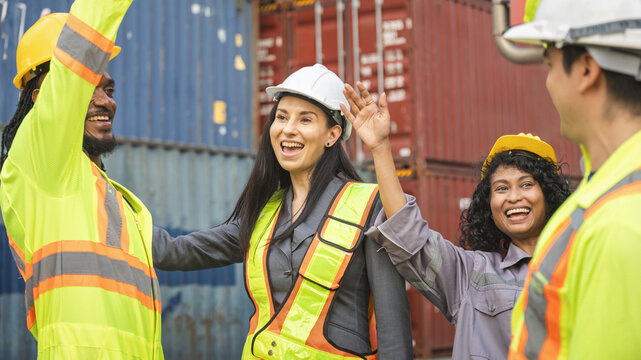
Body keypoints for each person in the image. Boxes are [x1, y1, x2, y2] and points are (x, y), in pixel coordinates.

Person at [153, 64, 413, 359]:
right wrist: (102, 197)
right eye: (281, 117)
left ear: (332, 135)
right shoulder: (263, 215)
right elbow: (173, 251)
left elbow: (393, 328)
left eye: (305, 119)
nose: (288, 129)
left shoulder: (370, 206)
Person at [341, 82, 570, 359]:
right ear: (489, 206)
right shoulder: (469, 275)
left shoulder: (579, 266)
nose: (513, 197)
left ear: (549, 194)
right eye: (501, 188)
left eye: (526, 184)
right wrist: (380, 148)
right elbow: (409, 235)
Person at [0, 2, 164, 358]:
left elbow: (167, 249)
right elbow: (87, 33)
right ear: (45, 99)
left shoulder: (102, 192)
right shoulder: (41, 161)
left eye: (109, 90)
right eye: (87, 87)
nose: (106, 101)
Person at [502, 0, 641, 358]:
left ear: (585, 68)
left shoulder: (616, 225)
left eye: (549, 65)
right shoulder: (607, 191)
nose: (548, 82)